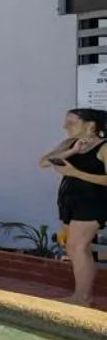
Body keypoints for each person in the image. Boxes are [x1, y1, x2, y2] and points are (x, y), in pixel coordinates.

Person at [40, 107, 107, 306]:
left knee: (78, 247)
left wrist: (74, 172)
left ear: (90, 125)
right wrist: (73, 151)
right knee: (76, 248)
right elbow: (44, 162)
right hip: (69, 201)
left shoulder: (104, 147)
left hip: (93, 202)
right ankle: (82, 295)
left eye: (71, 123)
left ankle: (82, 297)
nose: (65, 126)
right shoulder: (69, 143)